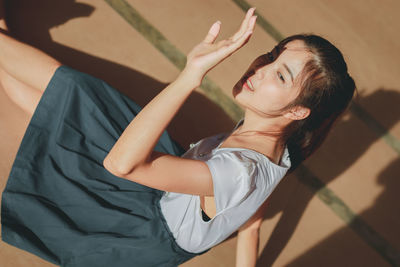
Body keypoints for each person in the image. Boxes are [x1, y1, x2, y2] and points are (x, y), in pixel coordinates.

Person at [0, 4, 356, 267]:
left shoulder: (239, 171)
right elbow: (251, 224)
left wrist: (192, 74)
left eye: (280, 76)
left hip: (143, 225)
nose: (260, 70)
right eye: (273, 57)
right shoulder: (283, 146)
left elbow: (120, 165)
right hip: (169, 182)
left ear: (297, 112)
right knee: (77, 103)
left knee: (77, 95)